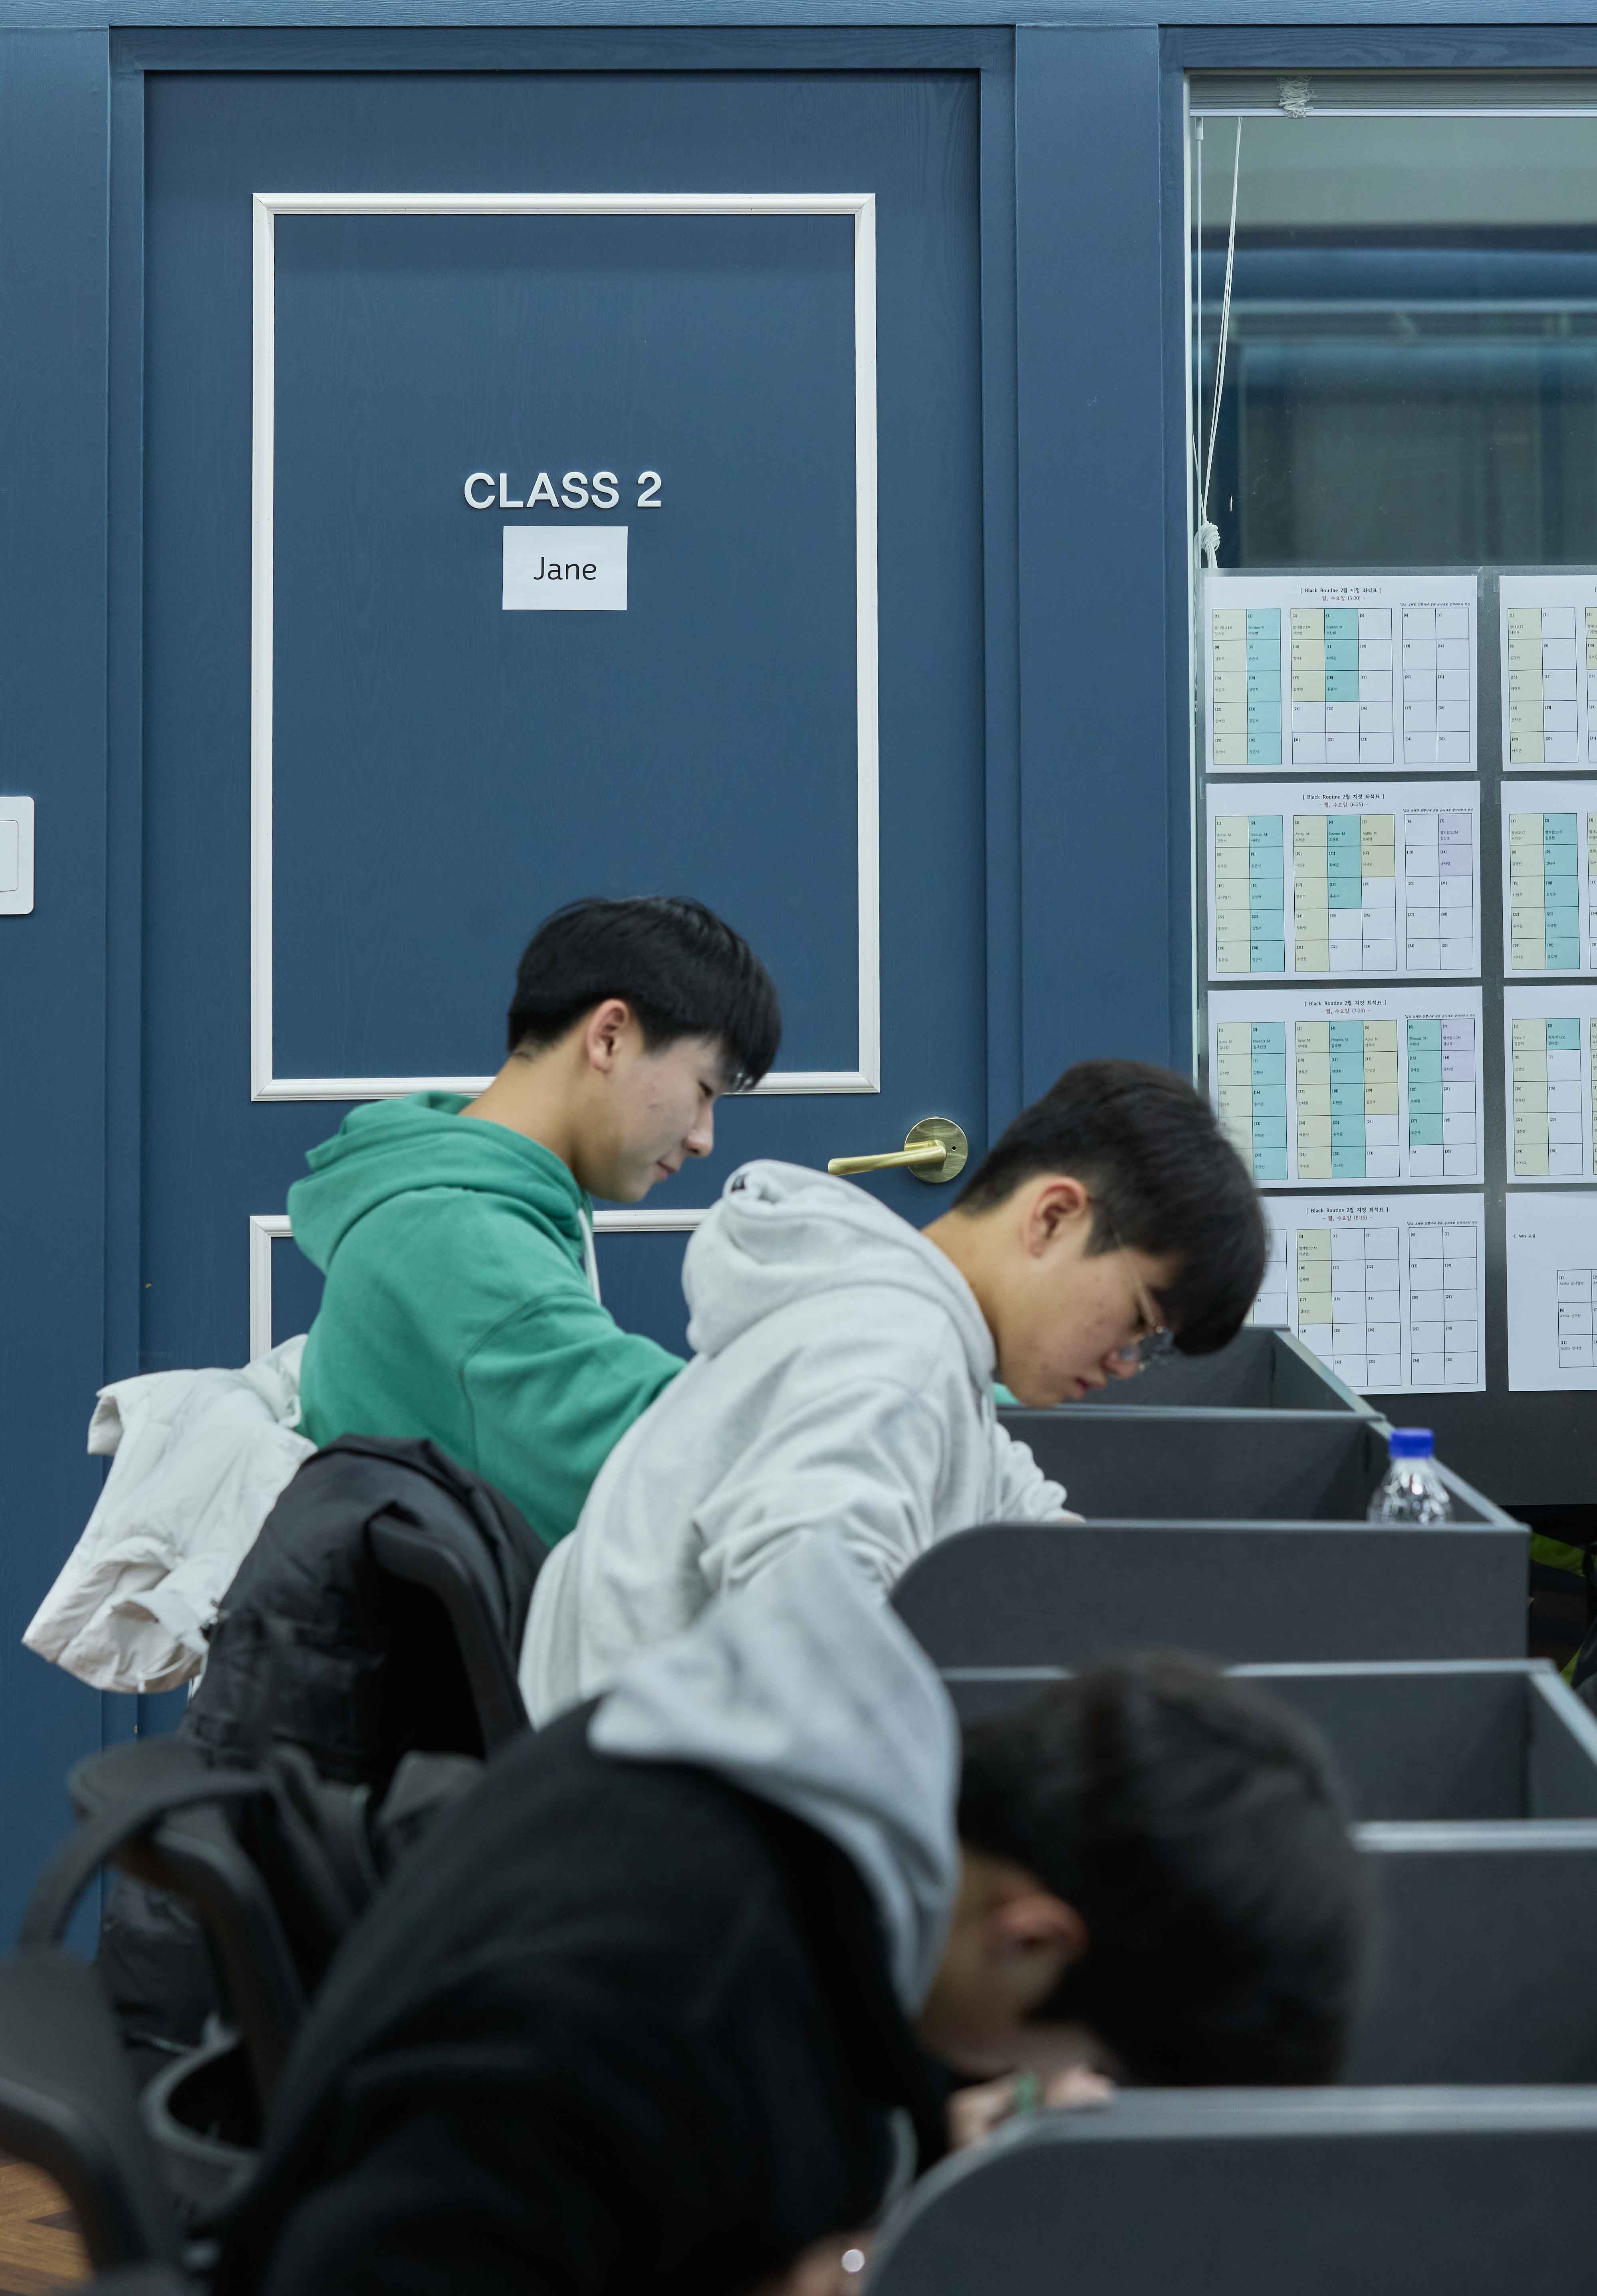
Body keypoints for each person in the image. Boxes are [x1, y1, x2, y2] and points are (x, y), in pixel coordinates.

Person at [210, 1539, 1367, 2296]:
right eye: (1087, 2053)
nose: (1052, 2074)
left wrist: (917, 2147)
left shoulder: (808, 1795)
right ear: (1031, 1939)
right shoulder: (653, 1996)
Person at [520, 1058, 1268, 1719]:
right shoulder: (890, 1352)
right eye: (1138, 1319)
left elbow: (1029, 1530)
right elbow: (801, 1656)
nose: (1125, 1364)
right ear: (1054, 1216)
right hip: (645, 1819)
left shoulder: (922, 1340)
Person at [289, 896, 780, 1547]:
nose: (703, 1138)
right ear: (609, 1036)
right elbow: (679, 1455)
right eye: (705, 1091)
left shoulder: (458, 1193)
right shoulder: (463, 1238)